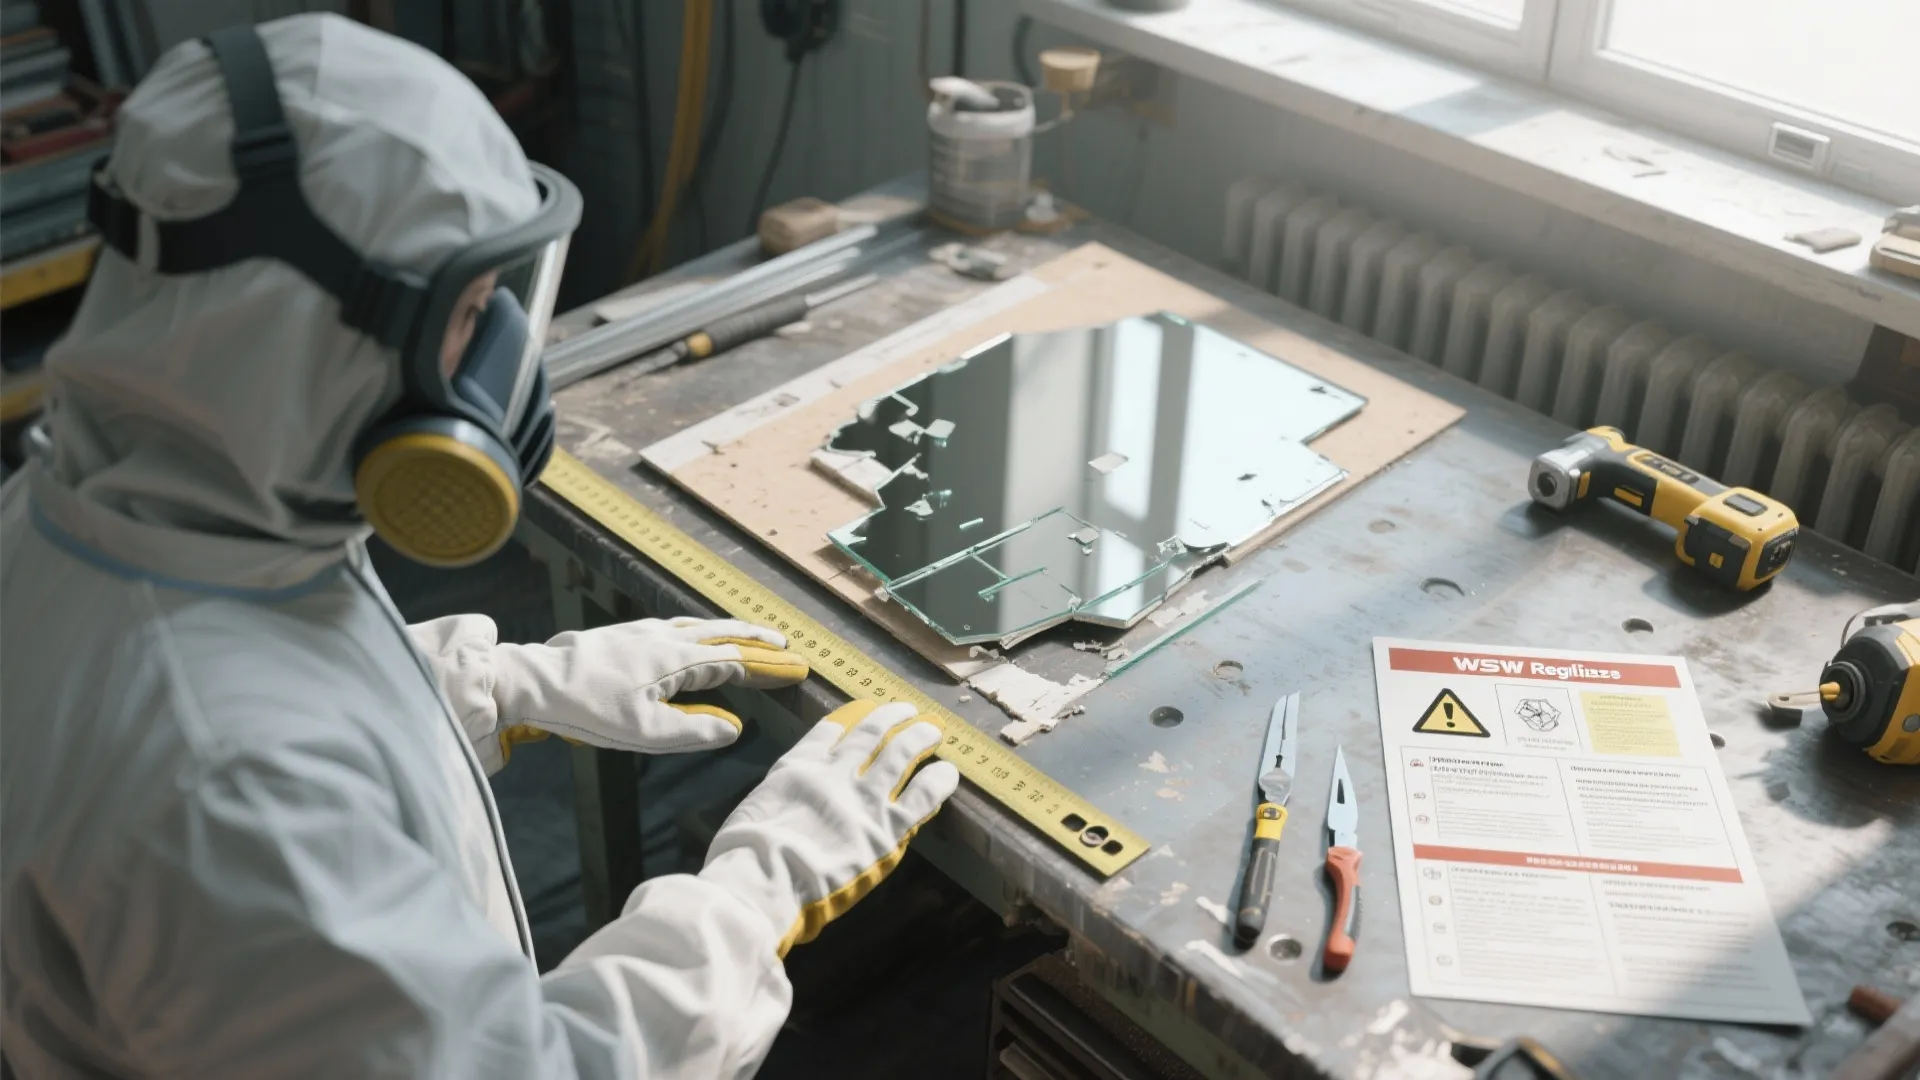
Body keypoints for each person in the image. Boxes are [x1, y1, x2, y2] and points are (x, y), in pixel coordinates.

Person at [0, 14, 958, 1079]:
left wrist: (494, 686)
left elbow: (250, 674)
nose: (497, 368)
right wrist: (754, 894)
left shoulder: (92, 508)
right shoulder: (237, 801)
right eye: (467, 313)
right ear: (300, 336)